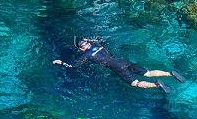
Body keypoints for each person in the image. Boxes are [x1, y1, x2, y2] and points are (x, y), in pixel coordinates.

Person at [52, 38, 183, 91]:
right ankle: (169, 73)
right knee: (147, 72)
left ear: (81, 49)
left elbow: (74, 66)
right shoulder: (98, 44)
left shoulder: (85, 55)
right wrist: (90, 40)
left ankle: (156, 85)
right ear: (88, 43)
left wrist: (62, 62)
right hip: (124, 61)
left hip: (117, 68)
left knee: (135, 83)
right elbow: (98, 40)